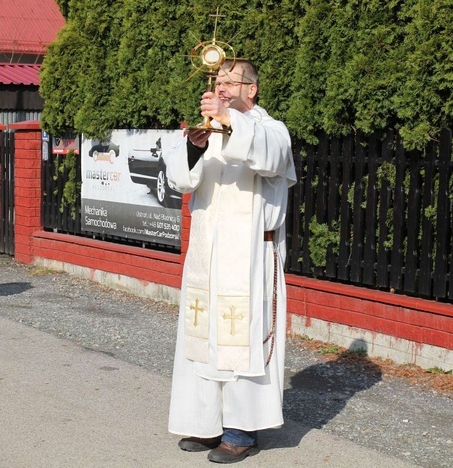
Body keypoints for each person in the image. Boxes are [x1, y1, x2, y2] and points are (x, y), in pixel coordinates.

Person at [164, 59, 297, 463]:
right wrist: (196, 144)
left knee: (244, 341)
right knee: (203, 339)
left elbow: (269, 158)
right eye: (217, 81)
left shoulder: (271, 129)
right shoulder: (207, 127)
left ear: (251, 90)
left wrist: (230, 120)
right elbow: (180, 179)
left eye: (230, 82)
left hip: (252, 254)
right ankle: (207, 425)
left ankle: (241, 431)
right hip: (208, 251)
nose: (221, 87)